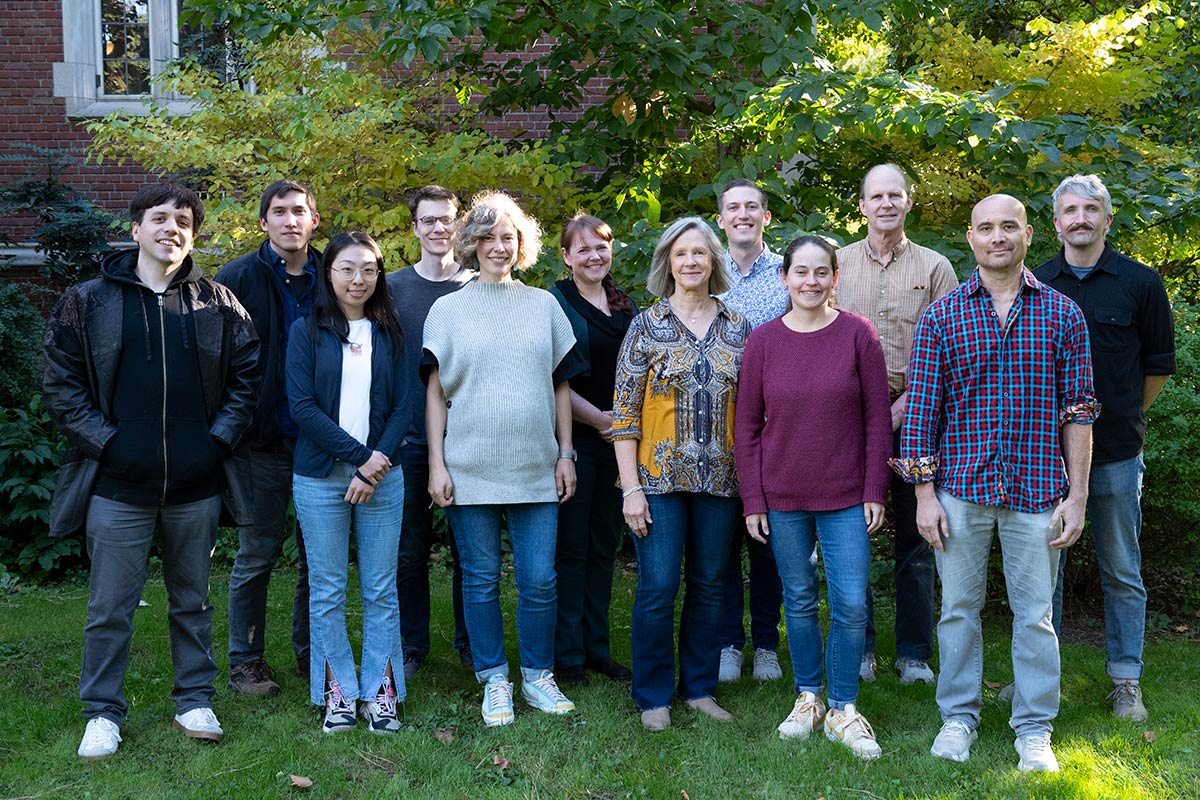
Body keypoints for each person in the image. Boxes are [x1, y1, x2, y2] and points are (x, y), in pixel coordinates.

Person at [44, 183, 259, 759]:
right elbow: (61, 386)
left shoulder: (217, 303)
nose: (172, 228)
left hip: (195, 487)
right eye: (159, 218)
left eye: (183, 220)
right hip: (117, 486)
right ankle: (101, 713)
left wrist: (217, 441)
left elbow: (247, 378)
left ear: (193, 234)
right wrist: (107, 444)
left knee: (193, 601)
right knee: (109, 607)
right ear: (135, 228)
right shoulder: (88, 300)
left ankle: (194, 699)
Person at [893, 194, 1098, 772]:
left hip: (1038, 491)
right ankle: (959, 718)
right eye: (986, 227)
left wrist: (1077, 496)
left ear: (1030, 234)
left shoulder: (1062, 314)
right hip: (959, 489)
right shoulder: (944, 315)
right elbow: (923, 411)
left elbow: (1079, 412)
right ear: (971, 237)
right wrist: (923, 494)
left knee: (1035, 614)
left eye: (1009, 226)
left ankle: (1034, 729)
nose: (997, 236)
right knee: (958, 609)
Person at [423, 191, 585, 727]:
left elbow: (560, 385)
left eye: (508, 237)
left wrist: (567, 453)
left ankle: (538, 677)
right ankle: (494, 679)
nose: (498, 246)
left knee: (540, 579)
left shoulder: (544, 305)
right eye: (488, 237)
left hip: (536, 466)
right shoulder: (446, 310)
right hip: (468, 466)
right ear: (471, 244)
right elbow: (434, 395)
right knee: (481, 577)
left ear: (522, 245)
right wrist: (437, 466)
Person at [735, 235, 890, 759]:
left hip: (846, 493)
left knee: (849, 603)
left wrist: (875, 488)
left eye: (821, 272)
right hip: (782, 495)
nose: (810, 281)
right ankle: (809, 697)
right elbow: (747, 427)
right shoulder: (764, 343)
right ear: (784, 279)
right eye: (800, 272)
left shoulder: (857, 335)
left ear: (835, 279)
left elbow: (876, 419)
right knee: (798, 600)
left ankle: (844, 708)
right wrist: (753, 499)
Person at [1032, 174, 1175, 723]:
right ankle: (1044, 673)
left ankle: (1125, 680)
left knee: (1121, 568)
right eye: (1070, 210)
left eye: (1091, 209)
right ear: (1055, 222)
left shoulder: (1140, 283)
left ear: (1108, 219)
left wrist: (1122, 415)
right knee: (1046, 570)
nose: (1080, 219)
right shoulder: (1036, 283)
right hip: (1042, 456)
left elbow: (1157, 368)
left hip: (1115, 452)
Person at [613, 216, 750, 732]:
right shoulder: (646, 325)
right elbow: (624, 415)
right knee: (658, 586)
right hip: (657, 481)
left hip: (721, 481)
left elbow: (754, 408)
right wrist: (631, 489)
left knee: (712, 584)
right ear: (666, 264)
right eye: (680, 254)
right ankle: (652, 696)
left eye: (699, 253)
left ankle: (698, 689)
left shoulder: (738, 327)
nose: (690, 262)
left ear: (713, 260)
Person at [836, 164, 959, 686]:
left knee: (916, 537)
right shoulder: (835, 265)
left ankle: (913, 654)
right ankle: (859, 649)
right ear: (861, 204)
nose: (886, 203)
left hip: (921, 417)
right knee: (852, 538)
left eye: (895, 195)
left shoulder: (935, 269)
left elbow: (951, 351)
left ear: (909, 202)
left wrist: (904, 408)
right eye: (875, 195)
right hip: (846, 419)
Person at [287, 231, 408, 734]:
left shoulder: (392, 332)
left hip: (383, 475)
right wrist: (362, 461)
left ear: (378, 276)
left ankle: (381, 693)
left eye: (369, 270)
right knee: (328, 589)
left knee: (381, 588)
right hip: (320, 478)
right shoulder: (306, 331)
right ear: (328, 272)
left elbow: (405, 406)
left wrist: (375, 464)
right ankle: (338, 692)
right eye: (347, 269)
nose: (358, 279)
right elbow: (302, 408)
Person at [216, 180, 321, 694]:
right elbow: (213, 363)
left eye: (299, 211)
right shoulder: (235, 279)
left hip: (322, 444)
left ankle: (312, 653)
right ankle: (246, 660)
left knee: (316, 557)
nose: (289, 220)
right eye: (278, 212)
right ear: (263, 223)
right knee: (256, 554)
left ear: (314, 220)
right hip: (260, 443)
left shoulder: (336, 274)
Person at [387, 185, 474, 680]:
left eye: (446, 219)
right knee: (408, 550)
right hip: (407, 440)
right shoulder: (394, 288)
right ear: (414, 228)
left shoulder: (477, 285)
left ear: (457, 225)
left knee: (470, 550)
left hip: (467, 439)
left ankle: (469, 642)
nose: (439, 228)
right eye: (428, 220)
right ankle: (412, 644)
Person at [548, 213, 638, 687]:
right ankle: (568, 657)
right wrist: (598, 419)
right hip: (574, 441)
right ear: (565, 256)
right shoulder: (555, 303)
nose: (593, 256)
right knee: (572, 550)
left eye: (600, 246)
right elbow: (551, 375)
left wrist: (622, 426)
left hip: (620, 446)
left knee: (604, 547)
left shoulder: (625, 307)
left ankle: (597, 648)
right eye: (581, 249)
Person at [712, 178, 786, 683]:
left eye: (752, 207)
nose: (743, 214)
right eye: (733, 207)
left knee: (770, 546)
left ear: (765, 217)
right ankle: (725, 643)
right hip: (712, 428)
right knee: (720, 544)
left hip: (774, 429)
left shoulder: (787, 274)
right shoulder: (701, 270)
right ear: (721, 219)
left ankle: (765, 643)